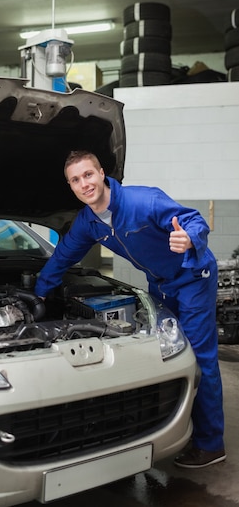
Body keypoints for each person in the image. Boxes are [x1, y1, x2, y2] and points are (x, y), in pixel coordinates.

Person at [34, 150, 225, 469]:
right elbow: (63, 257)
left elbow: (193, 220)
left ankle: (210, 444)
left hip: (193, 276)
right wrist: (38, 295)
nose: (85, 184)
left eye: (88, 175)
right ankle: (174, 426)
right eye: (76, 180)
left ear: (102, 173)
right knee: (168, 353)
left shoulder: (143, 202)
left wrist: (189, 238)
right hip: (160, 281)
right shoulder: (88, 222)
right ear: (71, 186)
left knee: (199, 356)